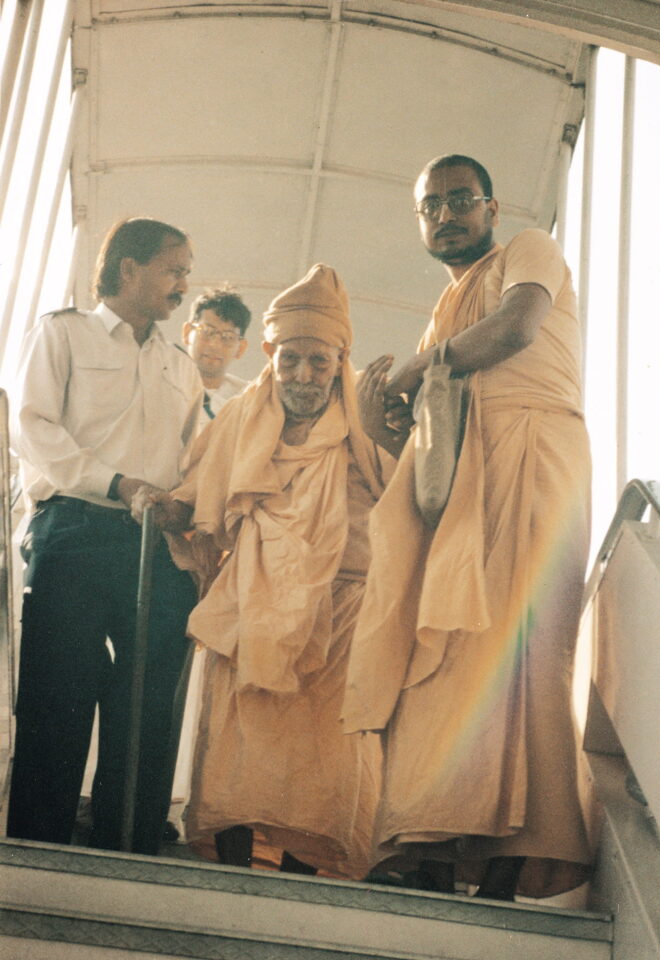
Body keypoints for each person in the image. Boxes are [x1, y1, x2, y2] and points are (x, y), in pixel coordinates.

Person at [342, 154, 594, 899]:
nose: (445, 215)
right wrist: (378, 422)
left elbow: (517, 328)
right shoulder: (443, 309)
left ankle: (523, 854)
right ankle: (438, 845)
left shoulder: (528, 251)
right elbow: (427, 460)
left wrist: (421, 367)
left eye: (460, 201)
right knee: (448, 657)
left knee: (527, 650)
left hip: (534, 457)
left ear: (490, 206)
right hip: (464, 492)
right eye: (431, 207)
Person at [142, 263, 387, 877]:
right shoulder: (239, 419)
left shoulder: (368, 430)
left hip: (340, 613)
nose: (303, 376)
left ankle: (304, 882)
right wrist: (163, 506)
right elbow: (199, 498)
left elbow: (407, 513)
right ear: (272, 355)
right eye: (291, 360)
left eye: (319, 361)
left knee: (323, 754)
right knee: (237, 743)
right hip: (251, 602)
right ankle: (231, 873)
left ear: (340, 359)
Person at [6, 217, 202, 855]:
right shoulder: (62, 333)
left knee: (150, 700)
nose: (183, 284)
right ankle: (40, 855)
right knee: (59, 692)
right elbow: (32, 426)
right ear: (129, 268)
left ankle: (132, 849)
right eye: (174, 269)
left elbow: (195, 454)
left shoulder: (181, 366)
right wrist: (116, 483)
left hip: (156, 548)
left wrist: (182, 504)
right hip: (75, 534)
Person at [182, 287, 252, 421]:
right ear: (187, 332)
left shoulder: (249, 398)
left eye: (227, 337)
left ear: (241, 348)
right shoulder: (162, 387)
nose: (214, 344)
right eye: (207, 331)